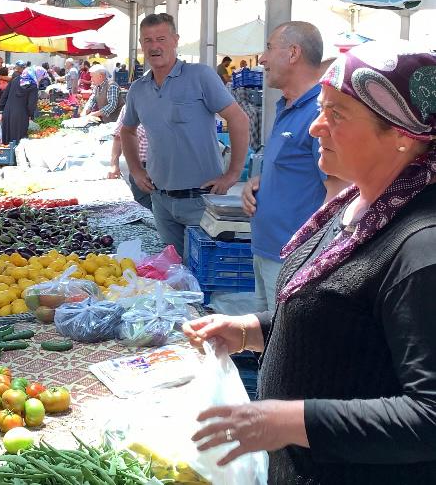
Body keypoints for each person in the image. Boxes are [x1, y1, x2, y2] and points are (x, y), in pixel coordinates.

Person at [183, 44, 436, 484]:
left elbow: (428, 416)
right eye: (321, 109)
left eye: (336, 114)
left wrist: (288, 422)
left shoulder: (422, 245)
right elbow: (343, 321)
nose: (317, 127)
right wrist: (251, 330)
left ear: (402, 133)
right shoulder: (357, 203)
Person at [120, 13, 250, 257]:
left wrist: (232, 174)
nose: (154, 46)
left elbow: (238, 119)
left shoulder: (200, 76)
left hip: (201, 200)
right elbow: (127, 131)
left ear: (175, 40)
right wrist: (136, 170)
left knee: (205, 274)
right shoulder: (138, 89)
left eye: (161, 38)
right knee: (178, 273)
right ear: (141, 45)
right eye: (147, 40)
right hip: (161, 201)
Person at [241, 22, 346, 312]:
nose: (262, 58)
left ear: (293, 53)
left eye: (269, 48)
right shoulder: (287, 105)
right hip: (266, 251)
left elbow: (338, 193)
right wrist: (260, 184)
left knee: (284, 349)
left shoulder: (319, 113)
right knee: (266, 345)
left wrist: (312, 260)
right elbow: (300, 169)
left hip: (292, 261)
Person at [107, 106, 152, 209]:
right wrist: (114, 164)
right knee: (145, 208)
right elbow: (119, 136)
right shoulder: (131, 104)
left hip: (168, 166)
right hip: (140, 167)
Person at [0, 62, 39, 144]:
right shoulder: (33, 85)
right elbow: (31, 104)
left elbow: (4, 96)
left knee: (7, 137)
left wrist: (1, 111)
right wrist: (30, 114)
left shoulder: (15, 80)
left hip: (8, 112)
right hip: (21, 114)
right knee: (18, 139)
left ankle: (7, 155)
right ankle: (15, 156)